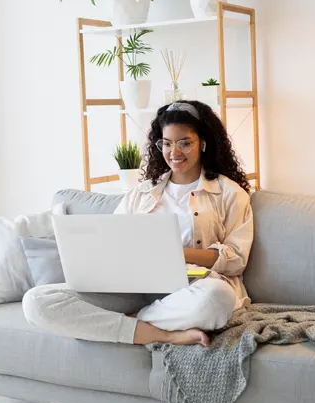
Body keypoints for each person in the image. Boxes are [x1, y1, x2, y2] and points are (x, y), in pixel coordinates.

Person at [23, 100, 253, 347]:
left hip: (191, 289)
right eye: (166, 143)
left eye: (184, 143)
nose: (174, 152)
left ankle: (125, 324)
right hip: (134, 288)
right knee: (36, 301)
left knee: (218, 298)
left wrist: (177, 254)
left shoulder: (230, 193)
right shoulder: (141, 193)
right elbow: (113, 240)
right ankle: (163, 333)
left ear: (203, 143)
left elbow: (236, 259)